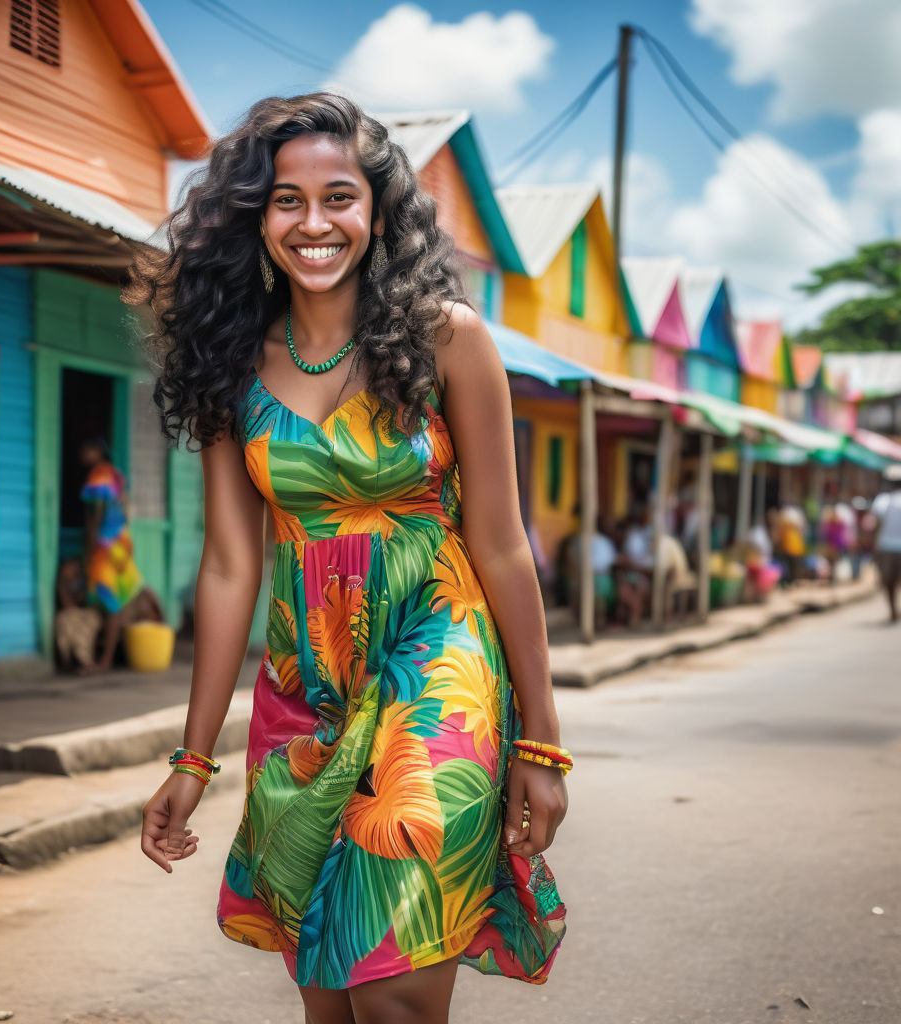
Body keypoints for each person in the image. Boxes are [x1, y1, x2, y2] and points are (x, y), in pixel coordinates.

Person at [126, 93, 569, 1021]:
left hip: (439, 659)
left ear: (377, 214)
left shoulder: (449, 337)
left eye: (339, 197)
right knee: (328, 993)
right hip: (310, 681)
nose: (314, 223)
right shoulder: (230, 360)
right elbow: (227, 567)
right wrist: (192, 757)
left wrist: (542, 741)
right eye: (287, 200)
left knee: (396, 992)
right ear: (256, 217)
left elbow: (499, 541)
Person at [78, 438, 164, 672]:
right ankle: (109, 657)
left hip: (107, 546)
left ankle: (104, 660)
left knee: (112, 603)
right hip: (122, 543)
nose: (81, 454)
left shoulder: (98, 476)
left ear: (97, 450)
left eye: (85, 448)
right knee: (118, 600)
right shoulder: (116, 475)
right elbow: (124, 513)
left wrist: (90, 549)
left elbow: (96, 515)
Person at [871, 470, 901, 623]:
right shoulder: (882, 501)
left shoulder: (882, 500)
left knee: (888, 581)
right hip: (887, 545)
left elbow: (875, 525)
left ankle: (893, 611)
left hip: (886, 546)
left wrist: (873, 548)